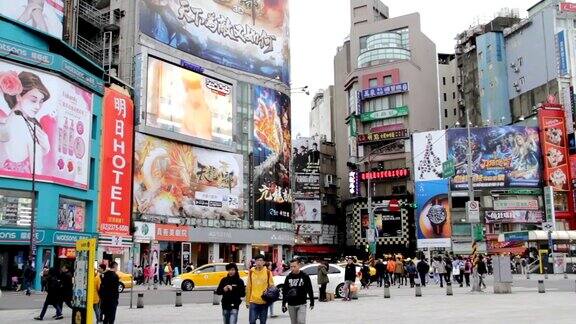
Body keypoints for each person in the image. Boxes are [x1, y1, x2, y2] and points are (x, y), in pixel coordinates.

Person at [282, 259, 314, 324]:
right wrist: (283, 304)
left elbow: (309, 289)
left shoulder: (305, 276)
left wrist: (312, 302)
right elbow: (285, 291)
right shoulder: (288, 277)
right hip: (291, 304)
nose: (292, 268)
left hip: (302, 303)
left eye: (294, 266)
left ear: (299, 265)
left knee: (301, 321)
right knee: (294, 322)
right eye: (291, 267)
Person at [246, 255, 274, 324]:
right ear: (255, 262)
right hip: (253, 301)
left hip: (264, 301)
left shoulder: (268, 272)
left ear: (264, 262)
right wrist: (247, 301)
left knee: (263, 322)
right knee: (252, 321)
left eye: (261, 260)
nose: (259, 262)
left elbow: (271, 286)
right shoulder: (251, 272)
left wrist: (270, 297)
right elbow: (248, 286)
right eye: (257, 260)